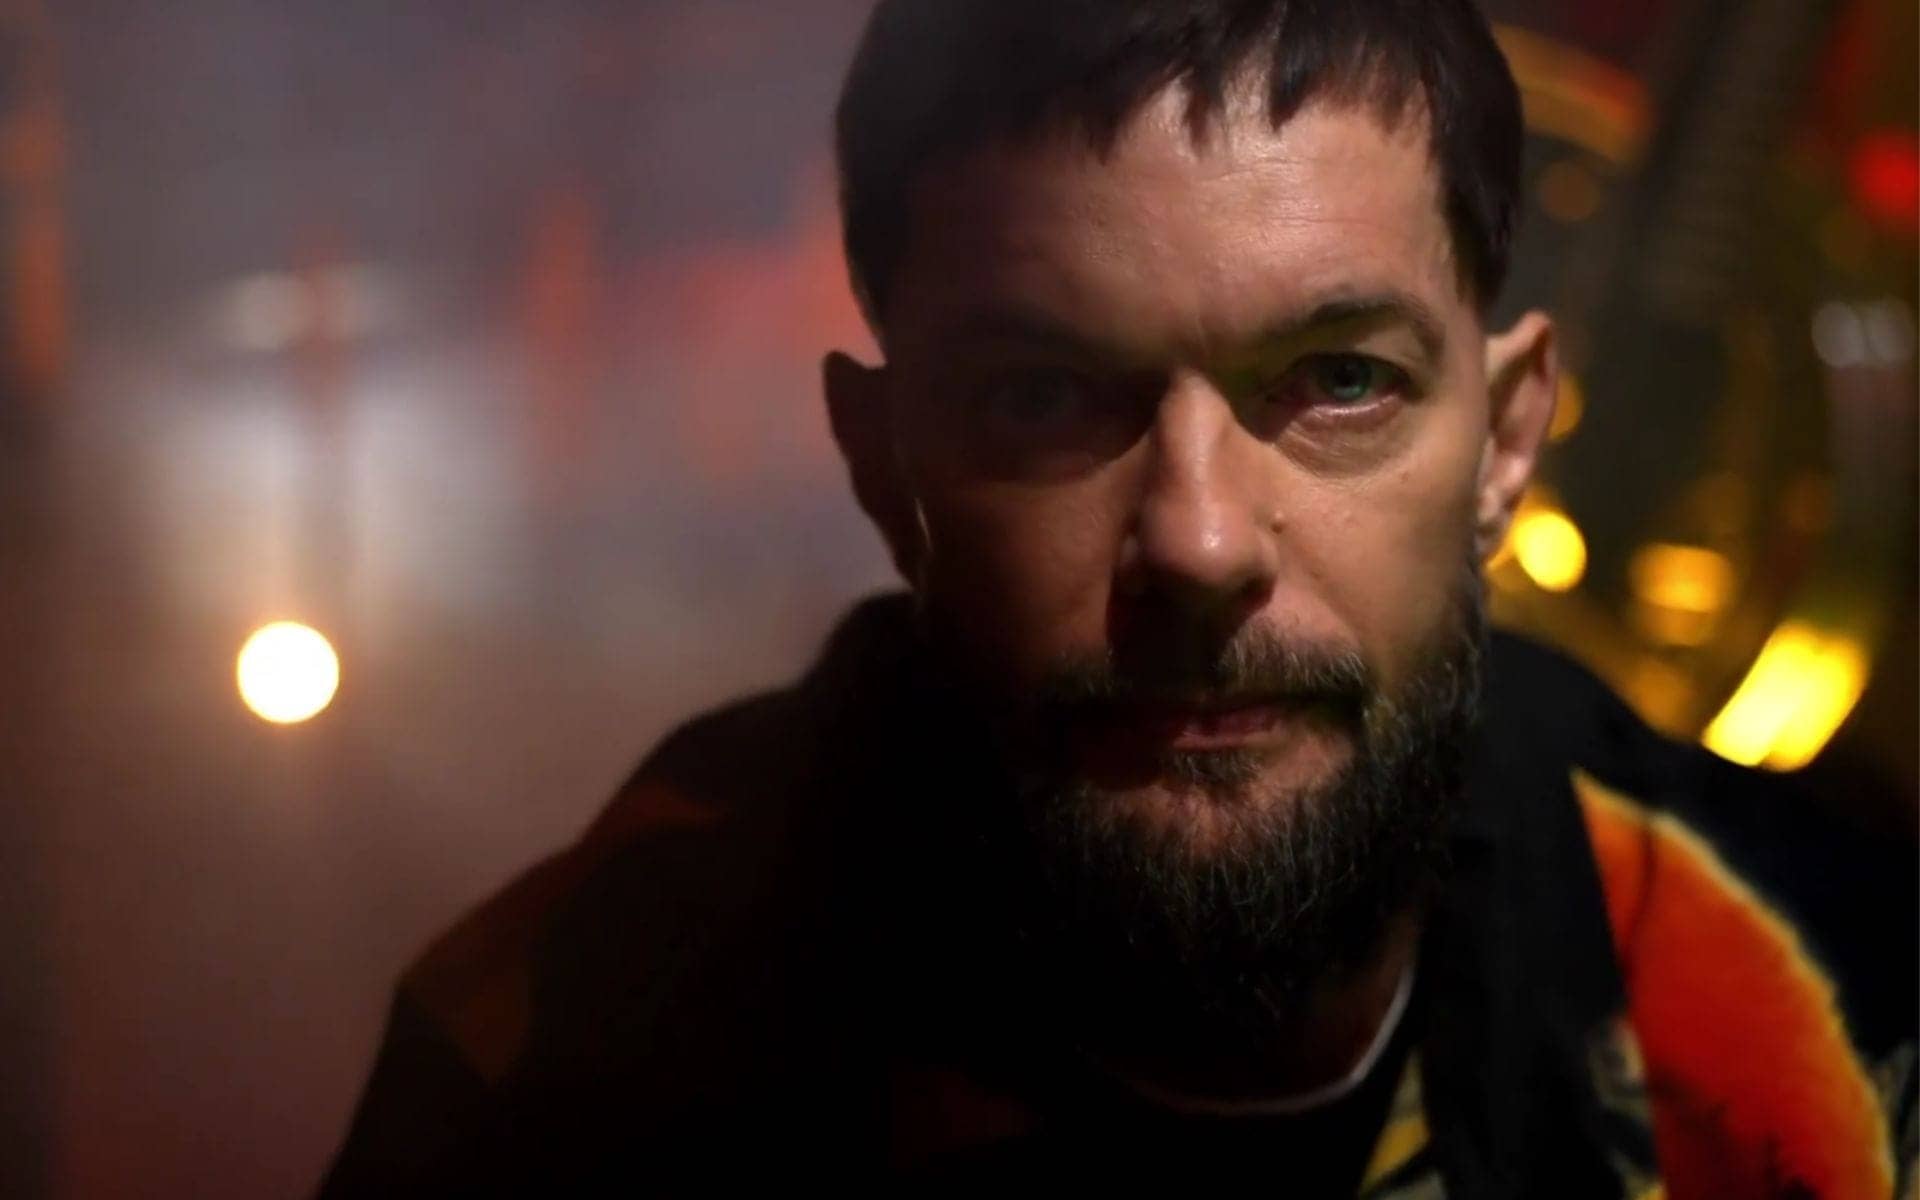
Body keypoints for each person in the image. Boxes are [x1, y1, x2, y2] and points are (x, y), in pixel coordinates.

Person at [319, 1, 1916, 1194]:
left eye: (1339, 381)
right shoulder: (580, 1058)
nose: (1198, 542)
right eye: (1043, 397)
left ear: (1506, 443)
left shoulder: (1837, 1016)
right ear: (883, 468)